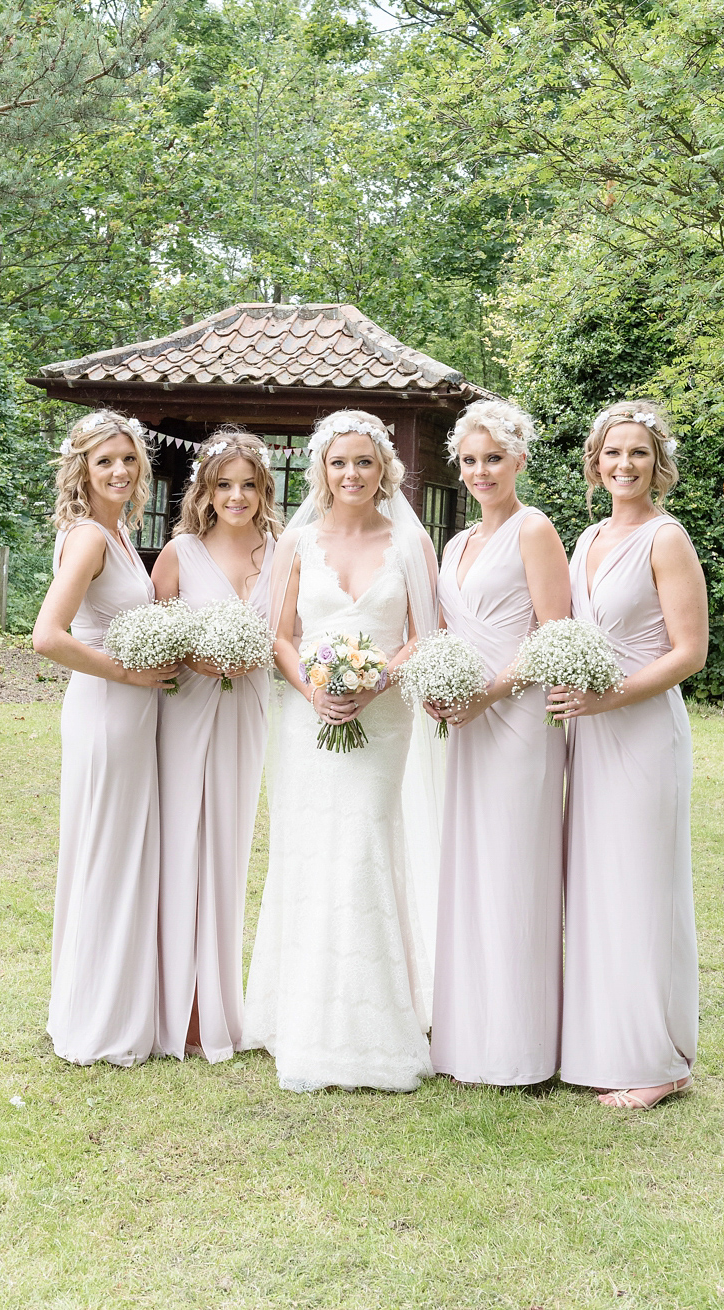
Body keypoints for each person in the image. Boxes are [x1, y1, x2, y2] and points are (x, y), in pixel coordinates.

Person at [241, 410, 442, 1093]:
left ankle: (375, 1025)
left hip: (384, 722)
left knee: (363, 848)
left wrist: (379, 678)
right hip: (307, 720)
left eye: (363, 462)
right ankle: (299, 1018)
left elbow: (425, 632)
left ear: (384, 468)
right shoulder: (297, 544)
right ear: (321, 472)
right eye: (338, 463)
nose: (351, 474)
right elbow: (280, 636)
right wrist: (316, 690)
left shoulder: (412, 545)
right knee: (311, 851)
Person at [548, 401, 708, 1110]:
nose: (624, 465)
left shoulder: (665, 539)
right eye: (612, 452)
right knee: (597, 885)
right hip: (588, 730)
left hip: (641, 730)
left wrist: (611, 699)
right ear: (595, 460)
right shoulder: (587, 539)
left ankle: (659, 1060)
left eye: (638, 453)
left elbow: (690, 653)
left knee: (642, 886)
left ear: (657, 463)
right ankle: (601, 1042)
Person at [429, 399, 571, 1086]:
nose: (481, 471)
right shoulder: (456, 546)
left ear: (518, 459)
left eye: (493, 458)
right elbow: (447, 635)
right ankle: (468, 1038)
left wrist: (486, 694)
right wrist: (438, 687)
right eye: (470, 460)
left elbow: (553, 632)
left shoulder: (533, 529)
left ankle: (520, 1049)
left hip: (517, 722)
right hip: (465, 724)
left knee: (515, 870)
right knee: (471, 869)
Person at [33, 410, 177, 1066]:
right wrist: (128, 672)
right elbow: (47, 635)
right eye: (104, 462)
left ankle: (106, 1002)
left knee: (119, 855)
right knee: (105, 855)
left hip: (131, 711)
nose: (118, 471)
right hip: (106, 710)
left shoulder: (119, 530)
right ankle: (95, 1021)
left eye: (127, 460)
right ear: (82, 471)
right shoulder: (89, 537)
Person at [151, 429, 280, 1063]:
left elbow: (292, 637)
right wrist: (192, 657)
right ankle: (175, 1005)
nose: (236, 496)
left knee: (228, 848)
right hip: (186, 712)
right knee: (180, 845)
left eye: (248, 485)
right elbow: (150, 639)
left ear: (264, 491)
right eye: (224, 484)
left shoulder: (281, 554)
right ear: (204, 489)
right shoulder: (180, 552)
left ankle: (218, 1004)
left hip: (247, 712)